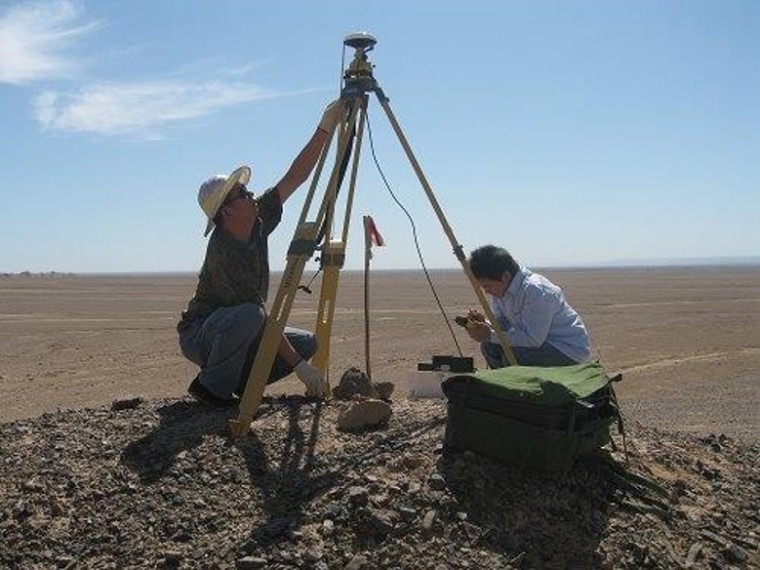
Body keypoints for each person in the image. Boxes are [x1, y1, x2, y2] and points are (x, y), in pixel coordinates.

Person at [177, 99, 344, 406]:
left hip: (240, 326)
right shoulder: (225, 254)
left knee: (306, 342)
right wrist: (299, 368)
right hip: (202, 334)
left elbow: (295, 176)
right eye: (242, 193)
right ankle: (211, 388)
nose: (250, 193)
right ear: (227, 212)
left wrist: (325, 127)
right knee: (251, 316)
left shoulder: (257, 218)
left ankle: (240, 381)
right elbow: (260, 317)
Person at [464, 245, 591, 368]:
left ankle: (518, 387)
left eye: (487, 286)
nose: (486, 291)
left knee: (513, 358)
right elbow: (503, 325)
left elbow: (533, 339)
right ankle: (505, 385)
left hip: (565, 348)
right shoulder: (500, 291)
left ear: (505, 276)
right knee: (490, 346)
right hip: (538, 343)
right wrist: (484, 324)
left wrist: (489, 335)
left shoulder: (536, 292)